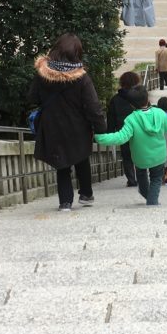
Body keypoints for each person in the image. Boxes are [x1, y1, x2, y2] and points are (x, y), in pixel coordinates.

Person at [29, 33, 107, 211]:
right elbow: (93, 106)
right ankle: (86, 194)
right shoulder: (82, 78)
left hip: (52, 126)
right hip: (78, 127)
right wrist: (101, 128)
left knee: (61, 163)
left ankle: (65, 201)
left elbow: (32, 97)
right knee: (81, 157)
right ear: (76, 53)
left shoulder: (42, 75)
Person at [95, 86, 167, 206]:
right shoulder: (160, 113)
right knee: (156, 180)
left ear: (131, 105)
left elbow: (121, 137)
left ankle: (151, 201)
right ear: (147, 99)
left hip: (140, 159)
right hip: (159, 156)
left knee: (142, 181)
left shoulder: (131, 119)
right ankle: (152, 201)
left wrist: (100, 137)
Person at [107, 71, 141, 188]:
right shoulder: (140, 97)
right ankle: (141, 178)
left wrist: (110, 133)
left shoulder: (115, 99)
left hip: (123, 131)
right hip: (139, 130)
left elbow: (111, 118)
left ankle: (131, 179)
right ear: (136, 82)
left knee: (127, 156)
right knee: (140, 153)